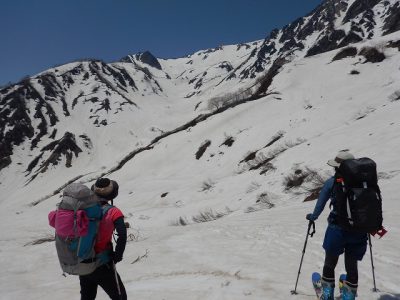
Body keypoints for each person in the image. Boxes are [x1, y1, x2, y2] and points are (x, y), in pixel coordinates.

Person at [306, 151, 367, 300]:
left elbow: (321, 203)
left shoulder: (332, 182)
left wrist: (313, 217)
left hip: (337, 229)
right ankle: (348, 296)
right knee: (351, 266)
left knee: (330, 263)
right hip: (359, 230)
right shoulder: (365, 181)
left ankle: (327, 296)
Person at [79, 178, 128, 300]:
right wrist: (118, 255)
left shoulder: (83, 210)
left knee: (87, 297)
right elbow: (122, 234)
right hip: (103, 264)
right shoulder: (114, 212)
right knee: (120, 297)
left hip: (83, 263)